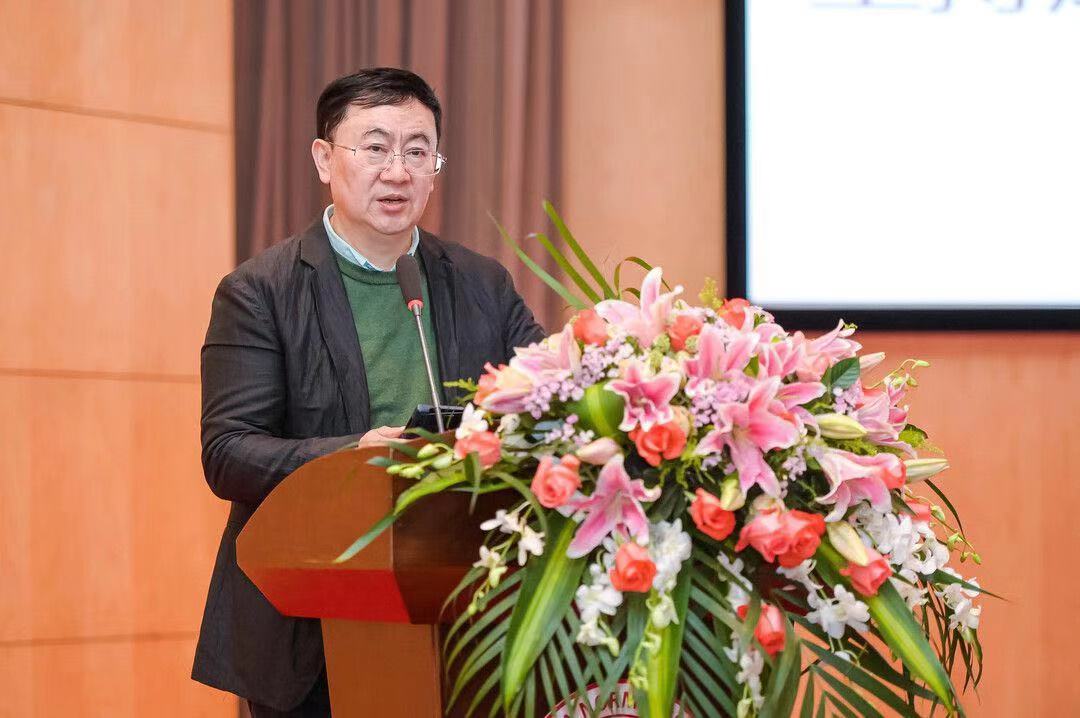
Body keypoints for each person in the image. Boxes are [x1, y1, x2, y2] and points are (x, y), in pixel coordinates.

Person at [191, 67, 544, 717]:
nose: (398, 172)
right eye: (375, 147)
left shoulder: (482, 284)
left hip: (469, 617)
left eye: (418, 151)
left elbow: (547, 401)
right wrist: (355, 455)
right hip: (315, 628)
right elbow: (229, 452)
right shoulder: (261, 292)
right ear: (324, 159)